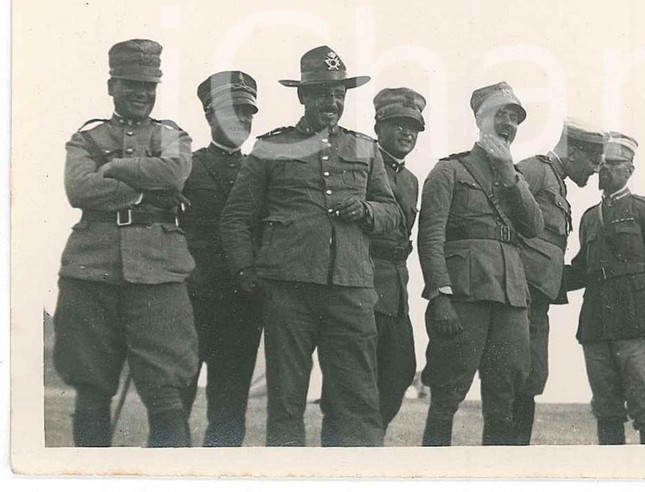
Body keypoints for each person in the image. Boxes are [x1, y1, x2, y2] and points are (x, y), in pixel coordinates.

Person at [219, 46, 401, 447]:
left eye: (338, 94)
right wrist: (246, 273)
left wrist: (367, 210)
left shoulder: (364, 148)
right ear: (303, 96)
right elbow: (235, 218)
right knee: (286, 403)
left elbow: (392, 213)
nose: (331, 102)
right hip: (288, 291)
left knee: (359, 403)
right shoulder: (271, 147)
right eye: (321, 93)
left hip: (351, 291)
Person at [53, 39, 197, 447]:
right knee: (91, 385)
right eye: (132, 83)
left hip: (160, 274)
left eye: (149, 85)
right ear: (112, 84)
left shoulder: (172, 135)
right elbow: (79, 189)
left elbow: (174, 173)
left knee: (167, 389)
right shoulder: (87, 138)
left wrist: (115, 168)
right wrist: (142, 195)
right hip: (91, 271)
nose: (141, 93)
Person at [417, 82, 544, 446]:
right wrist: (440, 296)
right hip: (464, 297)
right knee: (446, 393)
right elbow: (430, 236)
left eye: (513, 117)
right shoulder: (449, 171)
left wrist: (508, 175)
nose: (507, 123)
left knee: (504, 396)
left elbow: (533, 227)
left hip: (510, 300)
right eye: (499, 114)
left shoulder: (514, 175)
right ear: (479, 119)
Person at [563, 133, 645, 445]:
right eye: (601, 164)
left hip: (640, 324)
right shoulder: (590, 218)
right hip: (597, 326)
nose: (605, 170)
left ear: (630, 169)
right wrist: (538, 277)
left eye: (614, 164)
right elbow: (581, 269)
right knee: (606, 409)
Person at [179, 71, 263, 447]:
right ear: (210, 117)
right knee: (173, 405)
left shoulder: (260, 171)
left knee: (230, 411)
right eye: (233, 113)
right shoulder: (185, 167)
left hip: (241, 308)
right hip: (189, 304)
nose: (242, 121)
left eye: (248, 114)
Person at [512, 120, 605, 444]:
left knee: (531, 380)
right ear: (574, 151)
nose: (595, 170)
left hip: (538, 302)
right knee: (513, 382)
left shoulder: (557, 183)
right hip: (517, 299)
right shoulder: (535, 170)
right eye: (593, 160)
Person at [368, 87, 426, 431]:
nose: (406, 132)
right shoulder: (361, 165)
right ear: (379, 127)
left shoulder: (411, 180)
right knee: (353, 378)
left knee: (402, 368)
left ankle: (372, 437)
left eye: (413, 127)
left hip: (396, 289)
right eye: (398, 124)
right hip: (362, 284)